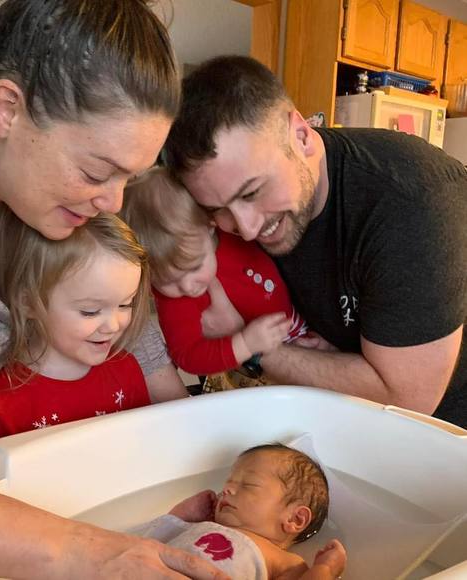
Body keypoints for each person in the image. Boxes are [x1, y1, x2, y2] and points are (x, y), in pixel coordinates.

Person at [0, 1, 227, 578]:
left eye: (130, 178)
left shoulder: (52, 199)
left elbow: (140, 338)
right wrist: (83, 552)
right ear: (8, 109)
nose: (113, 202)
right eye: (97, 172)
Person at [163, 55, 467, 427]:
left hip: (443, 433)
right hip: (332, 412)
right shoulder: (229, 221)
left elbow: (406, 399)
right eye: (218, 209)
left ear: (302, 136)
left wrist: (249, 345)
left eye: (252, 192)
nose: (246, 228)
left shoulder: (410, 205)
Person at [0, 212, 188, 453]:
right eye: (90, 311)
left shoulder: (127, 370)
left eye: (125, 304)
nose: (113, 325)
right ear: (28, 302)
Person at [122, 167, 308, 377]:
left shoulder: (236, 230)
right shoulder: (174, 302)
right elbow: (187, 357)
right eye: (166, 281)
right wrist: (245, 344)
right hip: (256, 372)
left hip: (298, 329)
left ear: (210, 225)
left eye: (195, 266)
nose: (187, 286)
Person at [133, 444, 346, 579]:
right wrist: (181, 516)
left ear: (295, 519)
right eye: (229, 482)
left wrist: (325, 569)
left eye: (248, 485)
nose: (227, 489)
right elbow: (145, 543)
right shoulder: (200, 526)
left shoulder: (284, 561)